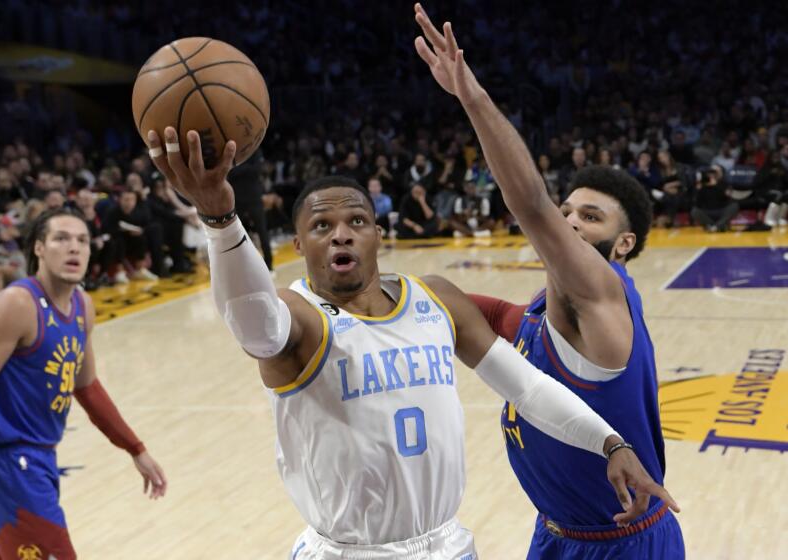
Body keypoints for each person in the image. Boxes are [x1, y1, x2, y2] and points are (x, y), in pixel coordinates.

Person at [146, 126, 677, 559]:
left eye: (357, 220)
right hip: (348, 552)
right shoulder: (297, 316)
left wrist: (612, 443)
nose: (341, 233)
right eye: (321, 225)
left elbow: (530, 391)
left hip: (447, 545)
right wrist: (220, 219)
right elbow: (250, 321)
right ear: (300, 243)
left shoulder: (434, 300)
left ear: (379, 234)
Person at [414, 4, 685, 558]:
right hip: (555, 534)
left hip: (622, 543)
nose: (569, 223)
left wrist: (472, 98)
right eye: (569, 211)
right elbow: (498, 321)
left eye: (590, 218)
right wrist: (406, 297)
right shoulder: (552, 311)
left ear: (623, 244)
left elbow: (531, 205)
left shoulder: (604, 293)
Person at [0, 207, 167, 559]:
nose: (74, 248)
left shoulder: (83, 305)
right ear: (38, 248)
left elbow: (87, 387)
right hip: (6, 462)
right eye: (61, 239)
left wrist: (135, 448)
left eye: (82, 240)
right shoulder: (15, 305)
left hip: (39, 458)